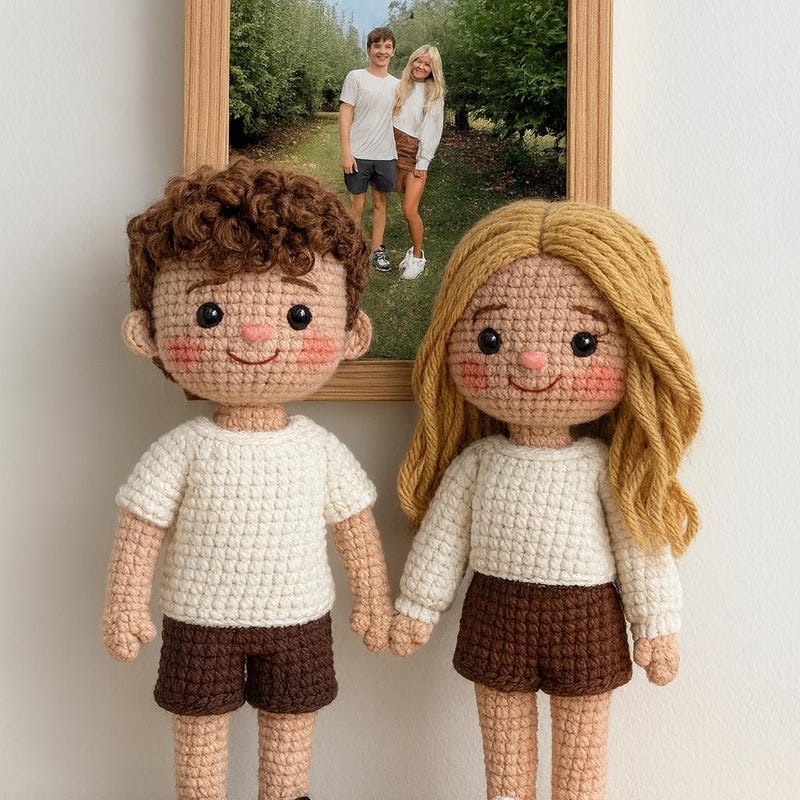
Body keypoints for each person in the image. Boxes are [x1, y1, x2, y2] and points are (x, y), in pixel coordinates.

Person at [389, 200, 702, 800]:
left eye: (583, 341)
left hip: (586, 620)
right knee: (504, 758)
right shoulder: (477, 463)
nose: (532, 361)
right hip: (496, 615)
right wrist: (419, 606)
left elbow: (640, 546)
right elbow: (443, 540)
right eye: (491, 338)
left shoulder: (605, 470)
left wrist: (656, 624)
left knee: (582, 758)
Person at [102, 159, 395, 800]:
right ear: (148, 333)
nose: (257, 332)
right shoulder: (182, 451)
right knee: (198, 741)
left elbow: (354, 527)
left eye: (298, 316)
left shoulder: (318, 451)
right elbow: (141, 527)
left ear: (351, 335)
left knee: (290, 740)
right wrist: (125, 602)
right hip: (197, 618)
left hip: (298, 617)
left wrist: (373, 598)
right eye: (210, 313)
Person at [339, 27, 400, 272]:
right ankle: (352, 250)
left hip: (385, 155)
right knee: (356, 206)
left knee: (380, 204)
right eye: (377, 46)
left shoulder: (398, 85)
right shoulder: (356, 77)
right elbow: (345, 113)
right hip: (358, 154)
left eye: (387, 47)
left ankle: (377, 251)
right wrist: (346, 151)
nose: (382, 51)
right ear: (368, 50)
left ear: (393, 51)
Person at [391, 45, 446, 280]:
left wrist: (423, 161)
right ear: (411, 61)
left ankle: (417, 256)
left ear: (433, 69)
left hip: (414, 154)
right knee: (383, 200)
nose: (421, 67)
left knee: (409, 210)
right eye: (418, 61)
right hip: (390, 149)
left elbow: (433, 130)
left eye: (427, 64)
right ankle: (377, 250)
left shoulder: (434, 95)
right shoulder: (399, 86)